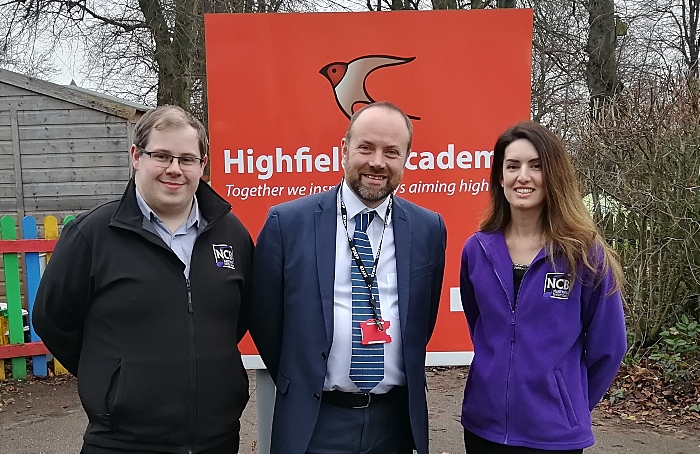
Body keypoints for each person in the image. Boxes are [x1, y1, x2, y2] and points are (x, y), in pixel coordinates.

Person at [32, 105, 254, 454]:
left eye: (187, 159)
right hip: (122, 443)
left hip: (218, 440)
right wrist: (113, 378)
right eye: (162, 156)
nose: (174, 170)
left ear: (202, 165)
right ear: (136, 156)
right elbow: (53, 319)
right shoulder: (92, 236)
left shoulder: (232, 234)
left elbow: (236, 320)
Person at [249, 102, 447, 454]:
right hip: (315, 421)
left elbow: (423, 319)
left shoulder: (428, 229)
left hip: (394, 424)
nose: (377, 162)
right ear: (344, 149)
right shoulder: (288, 224)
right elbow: (265, 321)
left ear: (406, 158)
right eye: (366, 148)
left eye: (391, 152)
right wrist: (304, 375)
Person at [459, 121, 627, 453]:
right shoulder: (476, 250)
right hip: (483, 429)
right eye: (512, 166)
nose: (523, 176)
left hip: (555, 437)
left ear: (554, 175)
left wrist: (567, 406)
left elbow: (609, 347)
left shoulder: (584, 253)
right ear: (499, 177)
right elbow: (479, 324)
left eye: (536, 166)